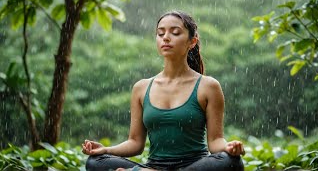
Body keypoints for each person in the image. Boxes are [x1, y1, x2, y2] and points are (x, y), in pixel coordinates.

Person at [82, 10, 245, 171]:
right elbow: (135, 143)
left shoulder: (208, 86)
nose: (166, 37)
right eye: (160, 34)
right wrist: (106, 150)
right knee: (95, 162)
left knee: (230, 161)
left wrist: (229, 147)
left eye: (175, 32)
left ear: (192, 42)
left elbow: (216, 141)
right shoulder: (141, 88)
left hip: (195, 166)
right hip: (154, 165)